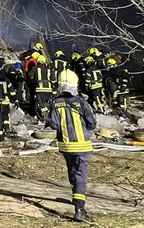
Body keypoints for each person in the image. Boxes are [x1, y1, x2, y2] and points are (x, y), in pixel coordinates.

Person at [47, 70, 96, 223]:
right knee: (81, 174)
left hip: (65, 145)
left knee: (73, 172)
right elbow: (92, 123)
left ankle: (75, 192)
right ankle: (79, 209)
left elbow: (54, 125)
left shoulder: (55, 102)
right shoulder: (81, 102)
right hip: (82, 144)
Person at [28, 54, 54, 121]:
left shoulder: (35, 68)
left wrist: (34, 80)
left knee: (41, 103)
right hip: (49, 88)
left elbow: (30, 75)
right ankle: (48, 115)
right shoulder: (49, 68)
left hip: (39, 88)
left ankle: (43, 116)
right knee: (48, 102)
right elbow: (53, 78)